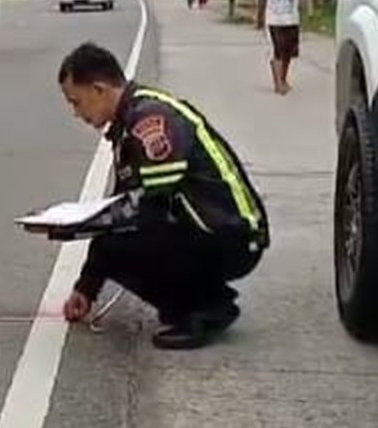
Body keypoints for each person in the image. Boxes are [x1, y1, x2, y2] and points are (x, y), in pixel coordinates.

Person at [57, 42, 269, 349]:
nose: (76, 113)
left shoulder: (149, 120)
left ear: (99, 89)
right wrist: (86, 288)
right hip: (213, 228)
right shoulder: (129, 120)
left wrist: (80, 226)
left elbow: (149, 207)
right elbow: (124, 203)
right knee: (114, 234)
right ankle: (192, 303)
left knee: (124, 236)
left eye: (76, 102)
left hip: (231, 234)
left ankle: (207, 308)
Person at [256, 0, 308, 95]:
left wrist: (308, 13)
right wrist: (259, 17)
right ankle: (278, 84)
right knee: (277, 52)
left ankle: (283, 79)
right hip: (273, 21)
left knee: (288, 54)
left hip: (292, 20)